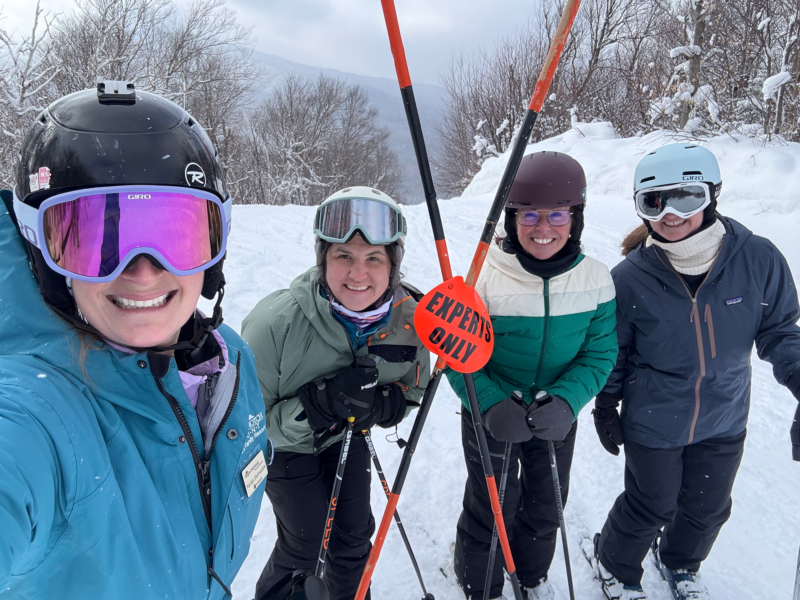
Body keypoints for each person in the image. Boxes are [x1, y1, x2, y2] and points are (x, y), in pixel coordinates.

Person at [0, 82, 269, 599]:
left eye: (177, 233)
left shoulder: (230, 363)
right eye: (95, 239)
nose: (143, 273)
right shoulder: (42, 413)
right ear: (44, 259)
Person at [590, 143, 800, 600]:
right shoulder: (628, 278)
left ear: (712, 196)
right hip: (654, 420)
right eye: (653, 201)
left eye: (686, 197)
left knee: (707, 509)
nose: (669, 214)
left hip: (724, 417)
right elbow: (615, 352)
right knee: (650, 505)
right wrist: (606, 404)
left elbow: (782, 331)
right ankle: (614, 562)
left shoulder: (758, 260)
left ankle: (680, 562)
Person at [241, 186, 431, 600]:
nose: (357, 274)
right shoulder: (275, 324)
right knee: (305, 544)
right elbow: (250, 428)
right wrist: (318, 405)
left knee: (354, 539)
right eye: (343, 256)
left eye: (374, 258)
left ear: (393, 264)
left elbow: (412, 388)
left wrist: (381, 405)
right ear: (323, 259)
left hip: (348, 434)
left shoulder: (412, 320)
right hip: (289, 449)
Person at [446, 152, 618, 600]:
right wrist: (488, 402)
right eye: (530, 215)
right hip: (494, 410)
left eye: (557, 214)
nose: (544, 228)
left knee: (546, 502)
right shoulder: (482, 278)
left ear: (575, 218)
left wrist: (567, 402)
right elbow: (453, 358)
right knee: (493, 504)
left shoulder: (596, 280)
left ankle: (529, 574)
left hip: (554, 414)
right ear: (512, 218)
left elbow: (600, 354)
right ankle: (479, 583)